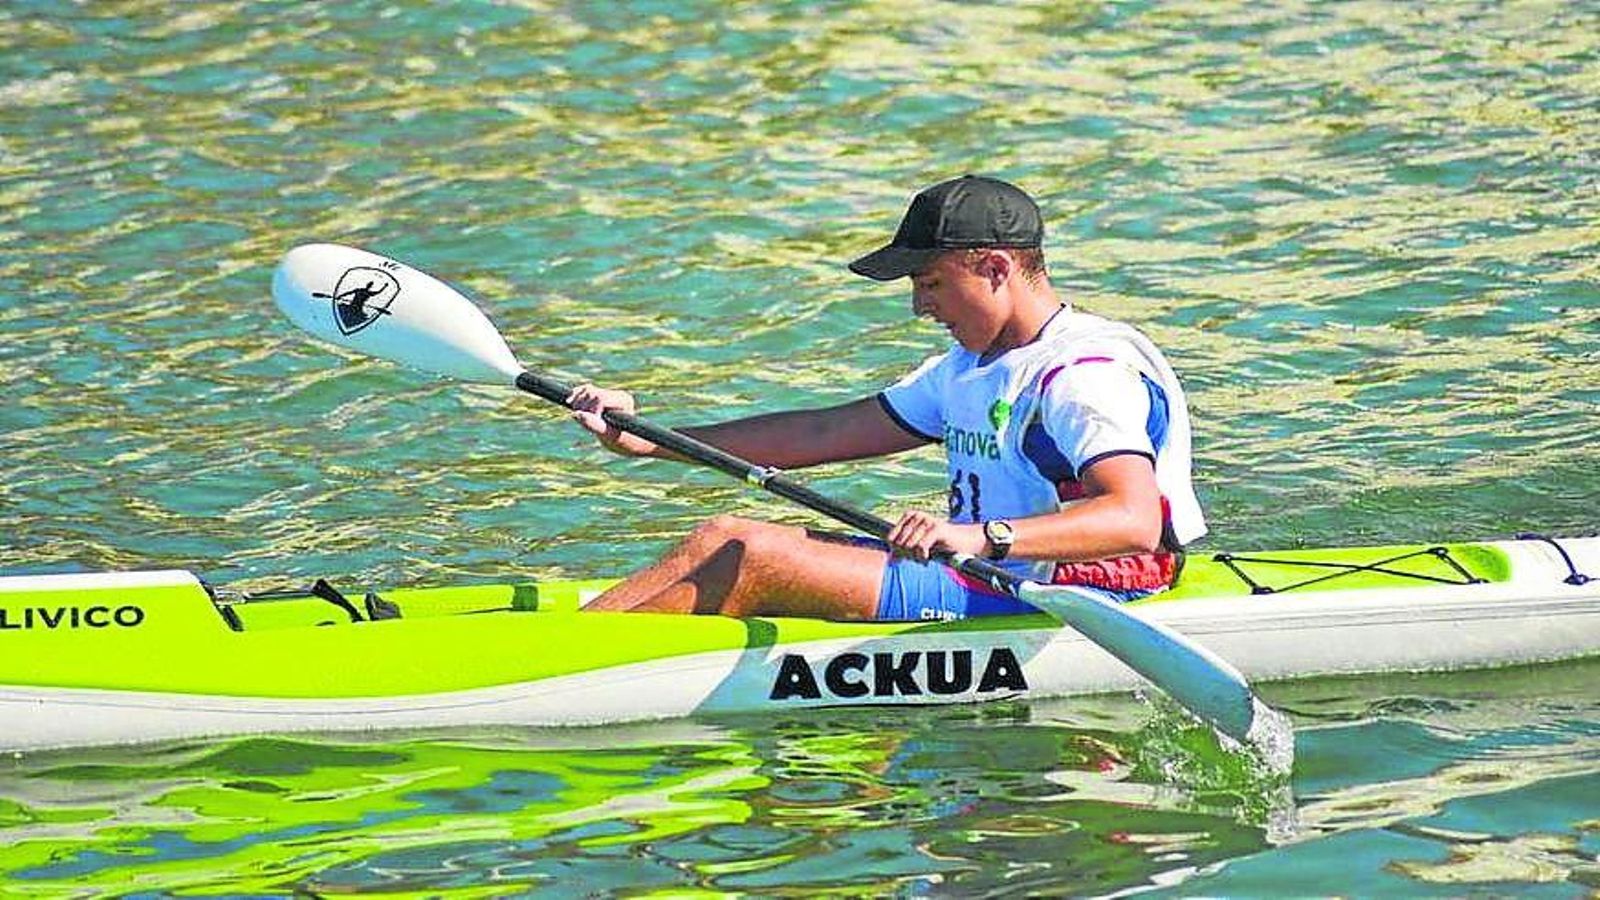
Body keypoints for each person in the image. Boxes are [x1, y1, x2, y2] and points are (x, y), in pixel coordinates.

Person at [570, 175, 1205, 621]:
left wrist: (981, 538)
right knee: (722, 536)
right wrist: (646, 439)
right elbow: (817, 436)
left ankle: (573, 666)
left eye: (930, 282)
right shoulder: (968, 368)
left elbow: (1134, 520)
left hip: (1087, 590)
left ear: (994, 269)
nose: (919, 305)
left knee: (752, 557)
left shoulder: (1083, 374)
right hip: (997, 571)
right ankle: (581, 643)